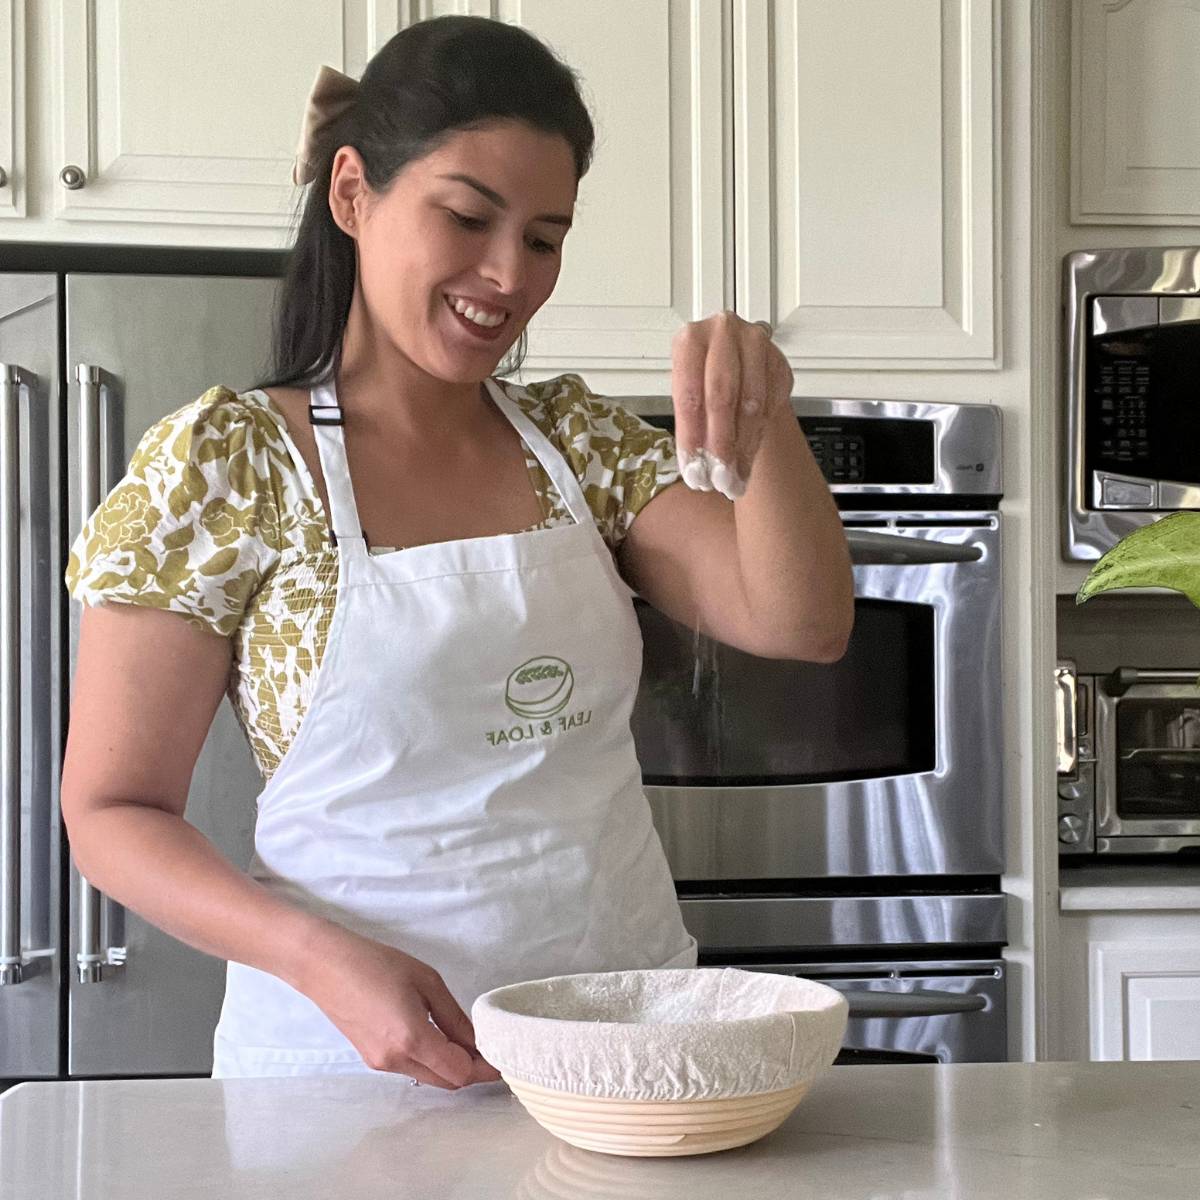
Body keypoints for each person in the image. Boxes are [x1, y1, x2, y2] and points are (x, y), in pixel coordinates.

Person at [59, 16, 854, 1088]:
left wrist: (765, 410)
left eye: (543, 237)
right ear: (353, 194)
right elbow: (110, 812)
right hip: (340, 1065)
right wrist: (324, 963)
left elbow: (798, 623)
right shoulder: (231, 465)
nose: (507, 274)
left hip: (616, 1046)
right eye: (468, 217)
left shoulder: (576, 442)